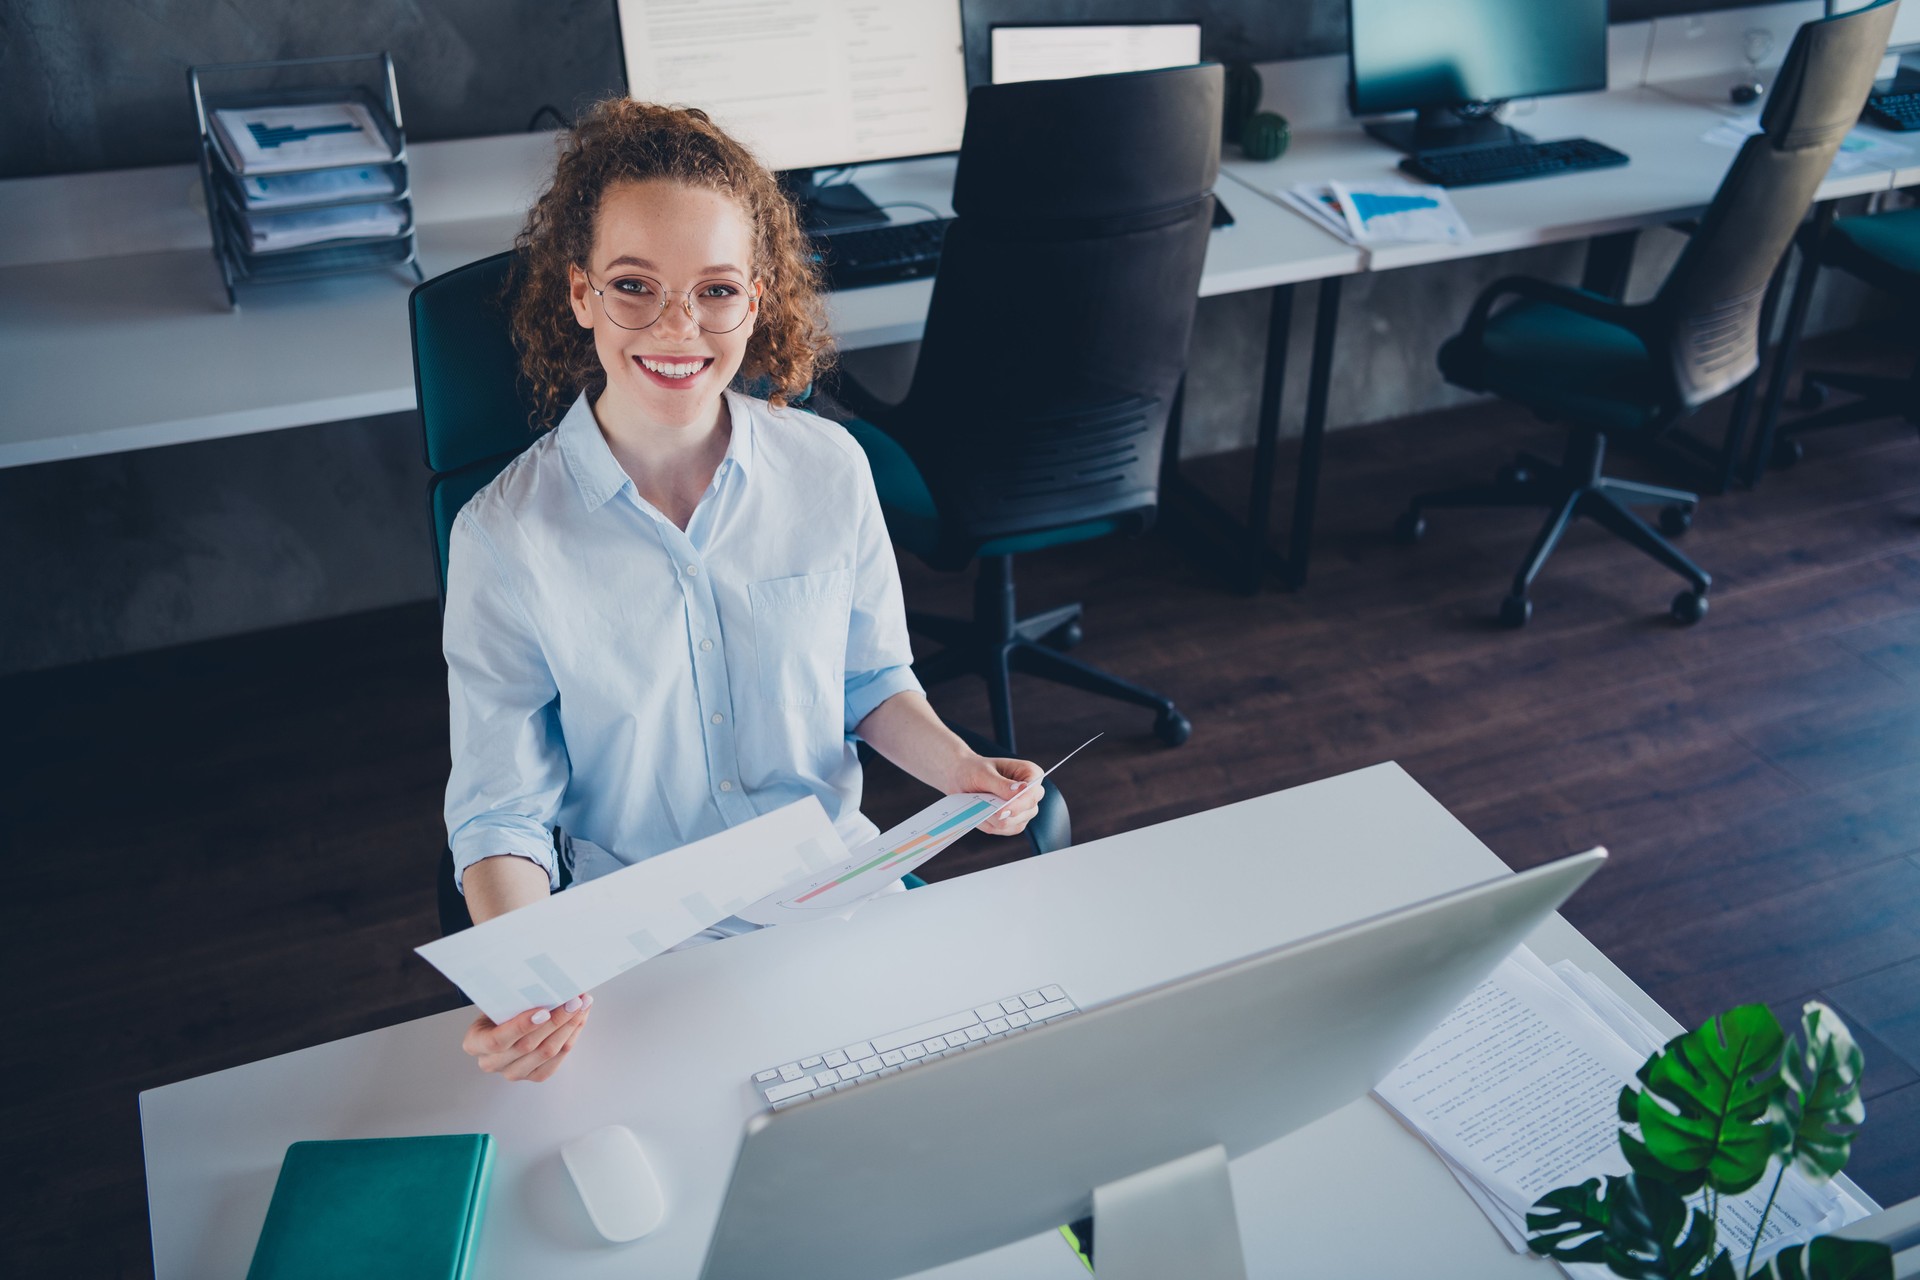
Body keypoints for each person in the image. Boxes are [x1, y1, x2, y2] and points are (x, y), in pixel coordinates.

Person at [441, 98, 1046, 1083]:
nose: (679, 328)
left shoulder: (831, 471)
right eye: (635, 286)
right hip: (638, 952)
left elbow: (872, 683)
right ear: (582, 295)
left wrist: (959, 767)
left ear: (756, 300)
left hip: (833, 900)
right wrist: (520, 974)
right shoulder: (505, 538)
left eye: (715, 289)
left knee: (978, 1118)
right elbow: (501, 813)